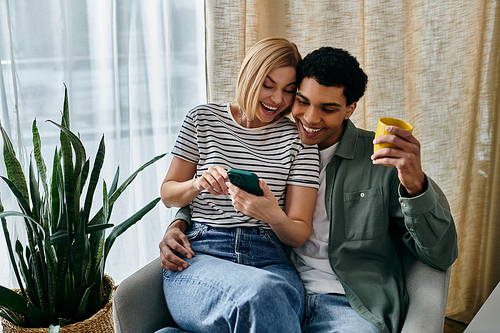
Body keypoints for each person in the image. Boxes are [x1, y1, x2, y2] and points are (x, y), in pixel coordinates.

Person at [163, 46, 458, 333]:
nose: (310, 118)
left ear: (349, 109)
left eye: (328, 108)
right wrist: (180, 220)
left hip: (343, 301)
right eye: (302, 101)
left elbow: (440, 255)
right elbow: (215, 193)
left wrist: (415, 183)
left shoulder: (378, 162)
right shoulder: (277, 141)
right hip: (270, 282)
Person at [157, 37, 320, 333]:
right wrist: (198, 184)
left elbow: (298, 232)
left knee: (266, 292)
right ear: (249, 76)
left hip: (269, 260)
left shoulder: (298, 139)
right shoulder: (202, 119)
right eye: (268, 85)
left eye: (288, 90)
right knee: (262, 294)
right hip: (201, 256)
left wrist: (270, 212)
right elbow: (168, 193)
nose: (277, 100)